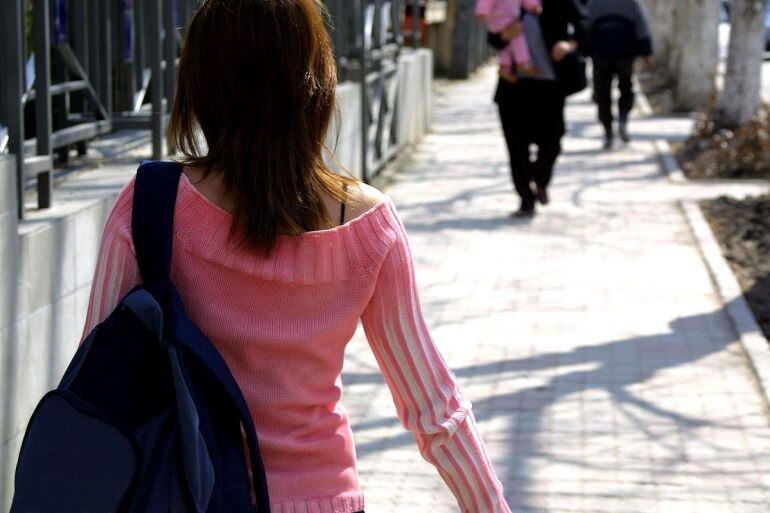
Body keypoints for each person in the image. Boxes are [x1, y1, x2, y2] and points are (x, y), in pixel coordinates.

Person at [81, 1, 513, 512]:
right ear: (316, 81)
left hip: (183, 492)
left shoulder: (150, 203)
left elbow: (95, 379)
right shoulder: (368, 225)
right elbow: (435, 409)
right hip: (323, 497)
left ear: (200, 81)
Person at [488, 0, 589, 218]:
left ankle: (541, 181)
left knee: (552, 142)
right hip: (513, 88)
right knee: (517, 147)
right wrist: (505, 35)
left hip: (550, 86)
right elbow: (492, 37)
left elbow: (584, 26)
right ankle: (525, 199)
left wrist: (568, 45)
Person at [585, 0, 652, 149]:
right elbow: (641, 27)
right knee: (625, 88)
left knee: (602, 93)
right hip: (624, 53)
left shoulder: (595, 3)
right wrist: (647, 52)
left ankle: (609, 130)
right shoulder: (631, 3)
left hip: (601, 54)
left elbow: (586, 26)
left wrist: (583, 50)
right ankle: (622, 120)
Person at [475, 0, 544, 81]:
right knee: (517, 39)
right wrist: (482, 12)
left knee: (509, 45)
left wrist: (534, 6)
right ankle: (523, 62)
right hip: (501, 18)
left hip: (508, 19)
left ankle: (505, 67)